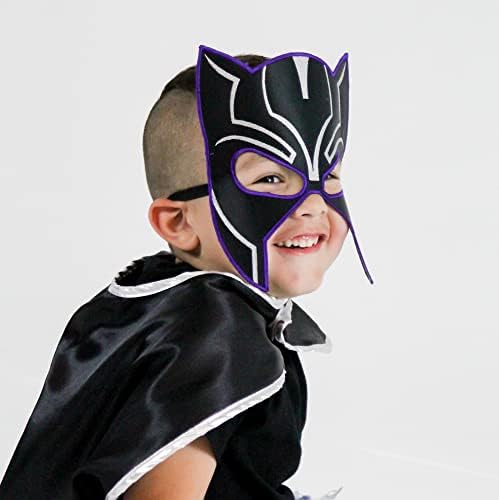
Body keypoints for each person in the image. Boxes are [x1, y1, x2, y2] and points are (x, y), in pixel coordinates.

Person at [0, 45, 373, 500]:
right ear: (178, 222)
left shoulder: (150, 304)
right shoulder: (219, 335)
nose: (314, 205)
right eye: (270, 180)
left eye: (329, 176)